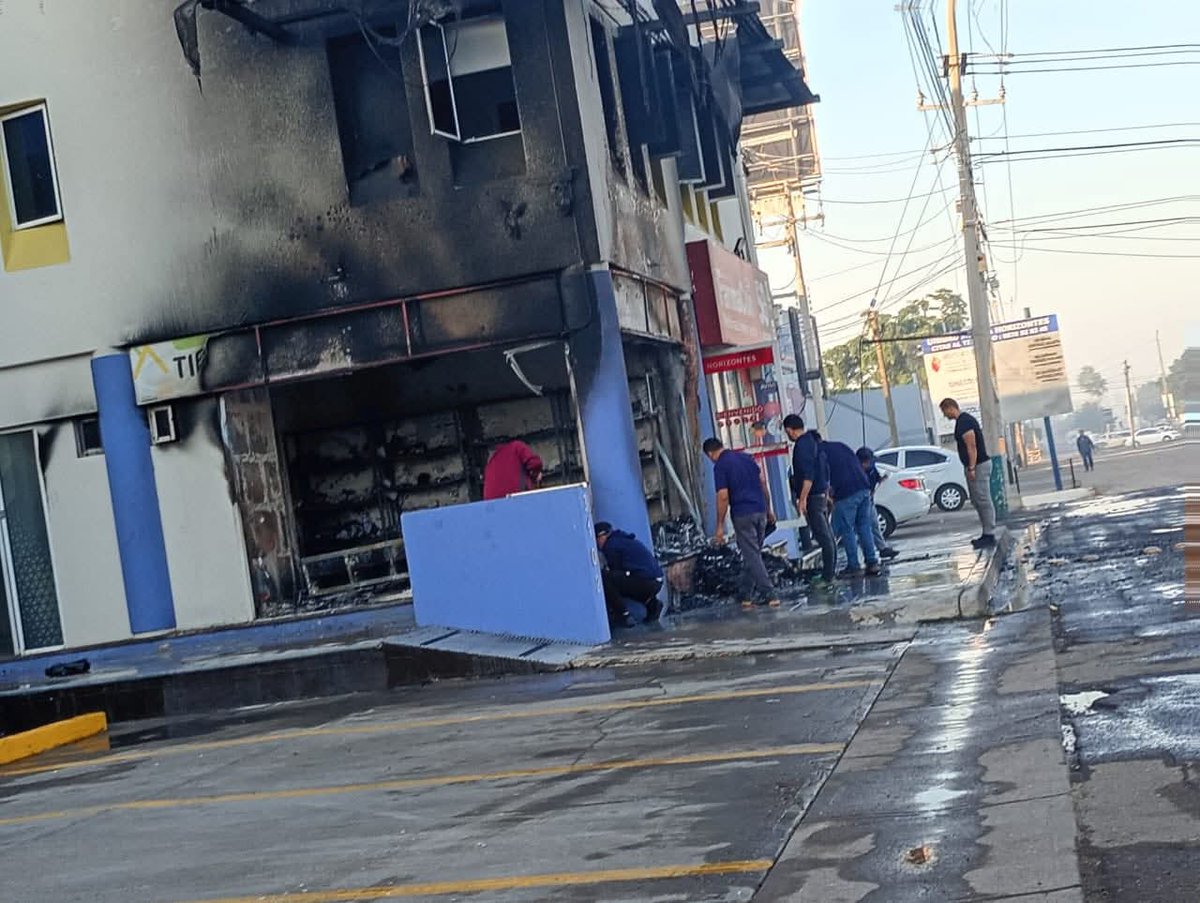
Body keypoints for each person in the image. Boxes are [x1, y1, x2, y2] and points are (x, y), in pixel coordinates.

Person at [703, 438, 779, 607]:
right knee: (752, 554)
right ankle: (745, 594)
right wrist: (768, 509)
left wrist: (720, 526)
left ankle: (770, 594)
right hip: (760, 511)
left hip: (743, 514)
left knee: (752, 555)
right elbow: (763, 484)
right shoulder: (746, 458)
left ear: (710, 454)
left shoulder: (721, 466)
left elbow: (723, 496)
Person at [783, 415, 836, 585]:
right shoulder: (813, 443)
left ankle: (828, 576)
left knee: (823, 535)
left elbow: (808, 475)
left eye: (787, 432)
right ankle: (829, 571)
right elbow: (824, 470)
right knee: (826, 534)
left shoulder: (802, 446)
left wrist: (802, 499)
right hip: (820, 494)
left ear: (789, 430)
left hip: (813, 496)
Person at [939, 398, 997, 548]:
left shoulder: (965, 422)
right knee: (977, 500)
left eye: (945, 411)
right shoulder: (962, 421)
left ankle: (989, 534)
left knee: (983, 500)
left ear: (950, 407)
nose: (945, 416)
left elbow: (971, 446)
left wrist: (971, 467)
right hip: (974, 466)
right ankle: (986, 532)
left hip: (978, 465)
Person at [823, 438, 881, 577]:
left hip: (846, 493)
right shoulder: (841, 445)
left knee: (847, 529)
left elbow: (823, 475)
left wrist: (828, 493)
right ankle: (872, 562)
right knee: (864, 526)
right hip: (864, 488)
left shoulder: (819, 453)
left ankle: (854, 566)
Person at [595, 523, 664, 627]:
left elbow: (616, 571)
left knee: (606, 579)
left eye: (596, 539)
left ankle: (624, 615)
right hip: (657, 581)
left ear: (602, 536)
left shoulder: (611, 545)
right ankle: (651, 603)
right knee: (625, 581)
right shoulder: (622, 540)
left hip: (646, 582)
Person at [856, 447, 899, 560]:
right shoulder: (856, 471)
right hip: (860, 501)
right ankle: (868, 555)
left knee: (874, 524)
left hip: (869, 500)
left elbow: (875, 479)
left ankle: (882, 548)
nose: (869, 464)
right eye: (866, 462)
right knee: (862, 527)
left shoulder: (872, 469)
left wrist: (881, 479)